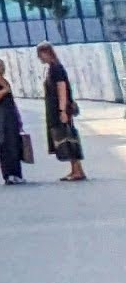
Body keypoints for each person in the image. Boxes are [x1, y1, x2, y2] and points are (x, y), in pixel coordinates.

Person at [38, 42, 89, 181]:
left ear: (46, 53)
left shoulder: (56, 68)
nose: (40, 58)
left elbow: (62, 88)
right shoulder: (53, 68)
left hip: (60, 108)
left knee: (68, 138)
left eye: (40, 55)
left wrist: (62, 111)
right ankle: (75, 169)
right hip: (58, 108)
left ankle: (77, 170)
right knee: (66, 137)